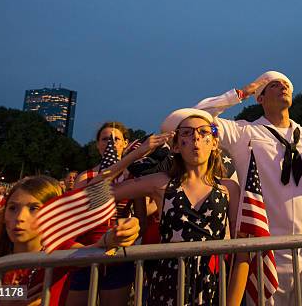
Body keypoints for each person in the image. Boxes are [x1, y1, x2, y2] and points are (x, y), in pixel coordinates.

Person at [194, 71, 302, 305]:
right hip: (267, 252)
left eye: (286, 84)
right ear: (260, 98)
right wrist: (241, 93)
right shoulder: (244, 132)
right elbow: (195, 117)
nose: (283, 87)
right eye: (274, 85)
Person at [101, 108, 246, 306]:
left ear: (214, 144)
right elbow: (96, 192)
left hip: (213, 287)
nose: (195, 137)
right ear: (176, 147)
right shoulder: (160, 183)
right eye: (186, 132)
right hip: (167, 286)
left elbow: (242, 251)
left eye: (203, 132)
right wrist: (136, 154)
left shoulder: (228, 188)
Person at [0, 176, 139, 306]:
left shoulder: (59, 254)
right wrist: (4, 298)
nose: (19, 218)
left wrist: (121, 232)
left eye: (34, 208)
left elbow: (94, 249)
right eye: (12, 208)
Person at [68, 122, 137, 306]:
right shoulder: (85, 177)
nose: (111, 143)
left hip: (119, 255)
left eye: (116, 139)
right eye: (105, 139)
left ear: (125, 143)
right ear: (98, 144)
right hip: (85, 252)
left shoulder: (133, 178)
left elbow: (143, 215)